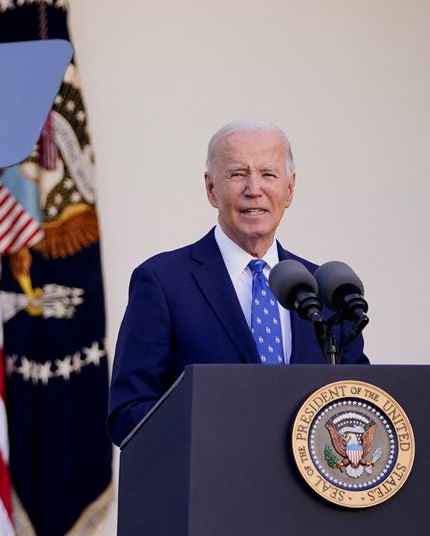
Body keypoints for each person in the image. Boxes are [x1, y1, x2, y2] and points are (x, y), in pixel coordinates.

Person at [107, 120, 369, 446]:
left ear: (290, 189)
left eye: (268, 174)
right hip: (210, 487)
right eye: (237, 173)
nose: (253, 189)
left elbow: (360, 404)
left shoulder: (325, 290)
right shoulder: (163, 282)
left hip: (309, 493)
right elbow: (129, 411)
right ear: (211, 188)